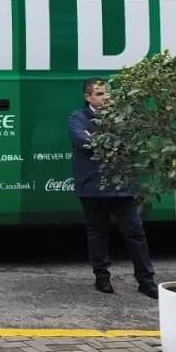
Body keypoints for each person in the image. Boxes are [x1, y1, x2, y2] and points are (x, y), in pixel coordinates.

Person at [68, 78, 158, 298]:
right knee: (98, 233)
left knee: (135, 233)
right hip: (92, 187)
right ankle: (102, 277)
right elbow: (83, 142)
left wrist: (101, 140)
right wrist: (114, 143)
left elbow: (132, 143)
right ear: (88, 97)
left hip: (123, 186)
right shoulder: (77, 117)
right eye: (99, 94)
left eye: (107, 94)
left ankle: (145, 280)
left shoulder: (122, 118)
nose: (105, 98)